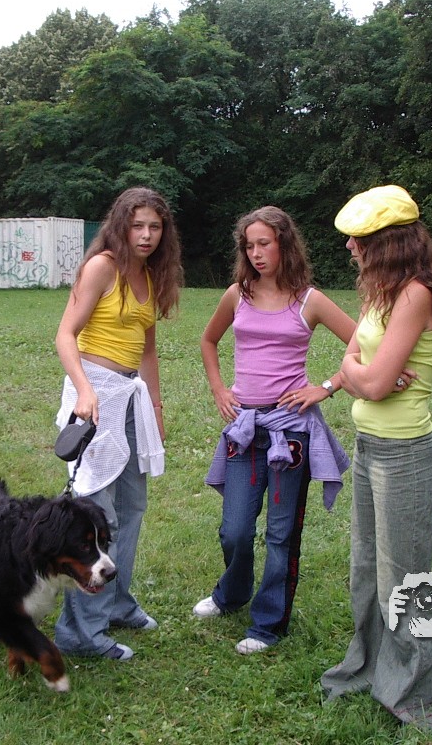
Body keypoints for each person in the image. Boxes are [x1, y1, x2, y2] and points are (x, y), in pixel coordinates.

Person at [320, 185, 432, 729]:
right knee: (366, 574)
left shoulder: (417, 293)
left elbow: (373, 382)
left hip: (407, 459)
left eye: (358, 239)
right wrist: (366, 377)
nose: (349, 247)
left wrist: (367, 378)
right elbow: (353, 364)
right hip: (370, 448)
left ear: (387, 243)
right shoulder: (379, 291)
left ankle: (418, 701)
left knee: (407, 584)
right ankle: (370, 668)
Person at [193, 205, 356, 655]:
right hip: (245, 429)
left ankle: (268, 624)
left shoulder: (310, 300)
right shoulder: (237, 295)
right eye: (249, 245)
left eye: (264, 243)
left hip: (291, 434)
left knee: (281, 535)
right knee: (235, 529)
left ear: (284, 244)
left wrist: (326, 387)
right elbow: (208, 340)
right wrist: (219, 389)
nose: (256, 253)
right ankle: (231, 594)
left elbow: (363, 343)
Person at [53, 186, 183, 661]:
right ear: (121, 226)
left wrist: (157, 410)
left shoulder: (150, 275)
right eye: (138, 225)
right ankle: (80, 632)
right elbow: (65, 334)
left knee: (131, 508)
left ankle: (118, 604)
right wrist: (84, 390)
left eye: (155, 227)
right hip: (94, 398)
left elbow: (147, 352)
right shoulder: (102, 266)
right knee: (95, 514)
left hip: (130, 399)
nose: (146, 235)